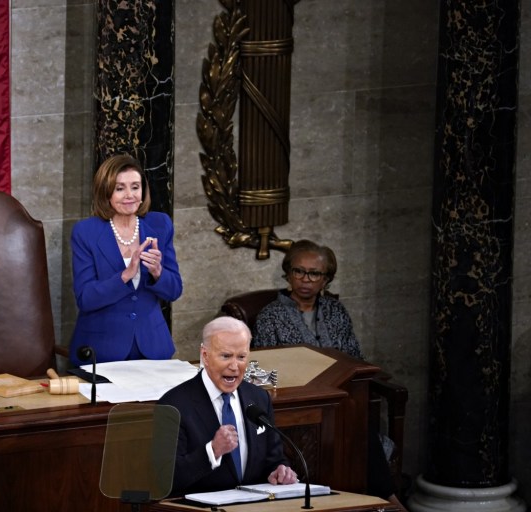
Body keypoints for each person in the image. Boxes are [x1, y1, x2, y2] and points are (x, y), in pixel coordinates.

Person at [251, 239, 408, 511]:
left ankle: (379, 501)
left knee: (356, 430)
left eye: (314, 273)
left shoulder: (337, 312)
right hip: (297, 405)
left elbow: (354, 359)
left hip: (342, 402)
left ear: (326, 279)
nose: (305, 279)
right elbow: (265, 370)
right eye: (299, 271)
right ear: (288, 273)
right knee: (356, 432)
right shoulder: (270, 315)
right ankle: (390, 502)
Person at [157, 316, 297, 496]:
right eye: (226, 356)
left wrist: (280, 470)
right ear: (205, 356)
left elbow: (274, 458)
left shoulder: (259, 398)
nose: (234, 366)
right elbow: (164, 478)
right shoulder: (174, 405)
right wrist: (212, 451)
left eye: (241, 357)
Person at [69, 154, 182, 366]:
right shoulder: (86, 232)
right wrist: (125, 275)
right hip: (101, 350)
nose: (129, 195)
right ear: (106, 192)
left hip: (152, 348)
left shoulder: (160, 224)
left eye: (135, 187)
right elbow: (86, 298)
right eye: (120, 188)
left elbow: (174, 290)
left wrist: (158, 272)